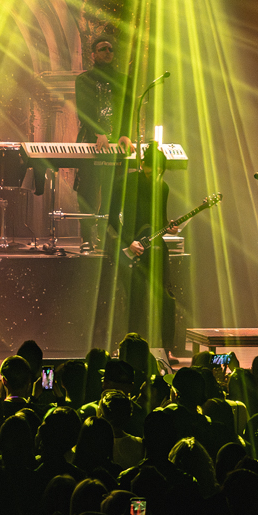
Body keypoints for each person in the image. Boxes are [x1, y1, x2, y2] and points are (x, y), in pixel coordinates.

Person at [106, 146, 176, 348]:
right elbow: (112, 217)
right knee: (135, 299)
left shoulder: (163, 187)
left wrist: (169, 227)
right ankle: (132, 347)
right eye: (150, 171)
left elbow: (160, 220)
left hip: (156, 246)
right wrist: (128, 241)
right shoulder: (125, 182)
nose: (154, 176)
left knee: (166, 298)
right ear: (143, 164)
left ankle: (168, 348)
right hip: (132, 246)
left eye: (159, 172)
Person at [73, 37, 133, 250]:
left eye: (111, 49)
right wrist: (98, 132)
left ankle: (108, 238)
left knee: (113, 191)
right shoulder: (84, 80)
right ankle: (86, 238)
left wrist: (125, 134)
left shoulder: (124, 80)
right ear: (93, 54)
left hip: (116, 143)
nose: (108, 52)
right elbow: (83, 109)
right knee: (87, 190)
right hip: (91, 140)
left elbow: (127, 110)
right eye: (103, 49)